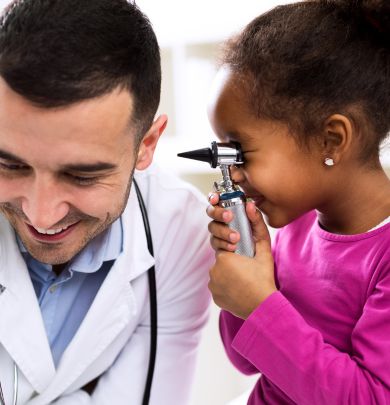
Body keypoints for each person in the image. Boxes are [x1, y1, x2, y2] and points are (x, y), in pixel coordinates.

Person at [0, 0, 213, 404]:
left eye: (82, 175)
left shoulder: (178, 229)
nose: (40, 214)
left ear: (146, 145)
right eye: (9, 165)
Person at [206, 0, 390, 403]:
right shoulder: (295, 230)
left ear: (332, 139)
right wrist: (247, 273)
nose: (232, 173)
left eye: (241, 152)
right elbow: (248, 362)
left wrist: (259, 305)